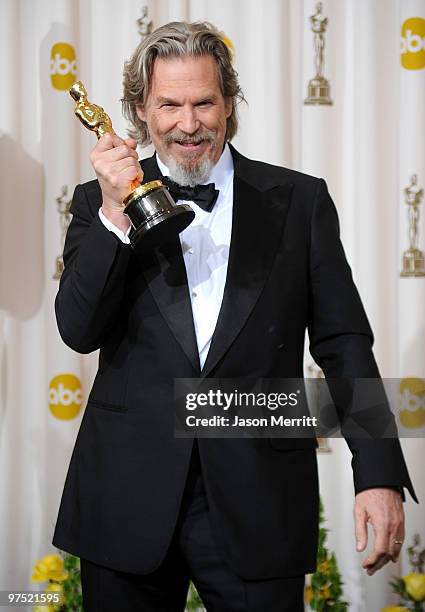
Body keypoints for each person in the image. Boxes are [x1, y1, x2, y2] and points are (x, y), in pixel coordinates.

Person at [53, 21, 417, 612]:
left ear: (229, 104)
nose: (188, 124)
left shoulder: (299, 201)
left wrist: (376, 471)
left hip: (260, 498)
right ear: (140, 111)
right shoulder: (99, 203)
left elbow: (344, 341)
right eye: (169, 104)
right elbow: (77, 329)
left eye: (204, 102)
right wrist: (119, 214)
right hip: (126, 496)